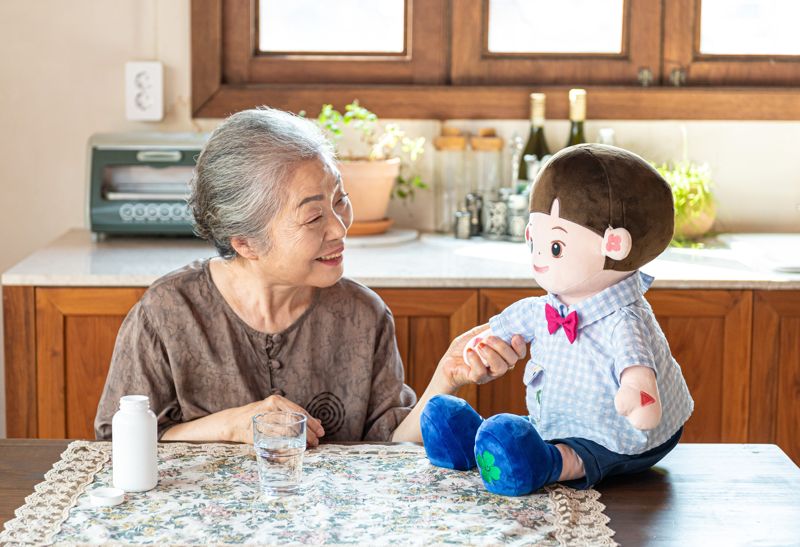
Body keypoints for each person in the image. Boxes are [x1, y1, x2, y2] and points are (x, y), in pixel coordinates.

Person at [95, 107, 526, 446]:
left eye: (340, 200)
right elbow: (116, 442)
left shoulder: (362, 315)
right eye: (314, 216)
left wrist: (446, 378)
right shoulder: (167, 314)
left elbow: (392, 446)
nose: (340, 228)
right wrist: (229, 426)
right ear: (245, 242)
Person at [421, 144, 694, 495]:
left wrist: (638, 395)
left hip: (618, 432)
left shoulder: (623, 320)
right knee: (524, 432)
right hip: (556, 418)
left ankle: (543, 464)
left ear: (615, 245)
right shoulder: (546, 308)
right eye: (534, 240)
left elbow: (637, 366)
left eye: (554, 248)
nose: (538, 258)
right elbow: (511, 322)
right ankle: (466, 440)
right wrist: (487, 340)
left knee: (570, 451)